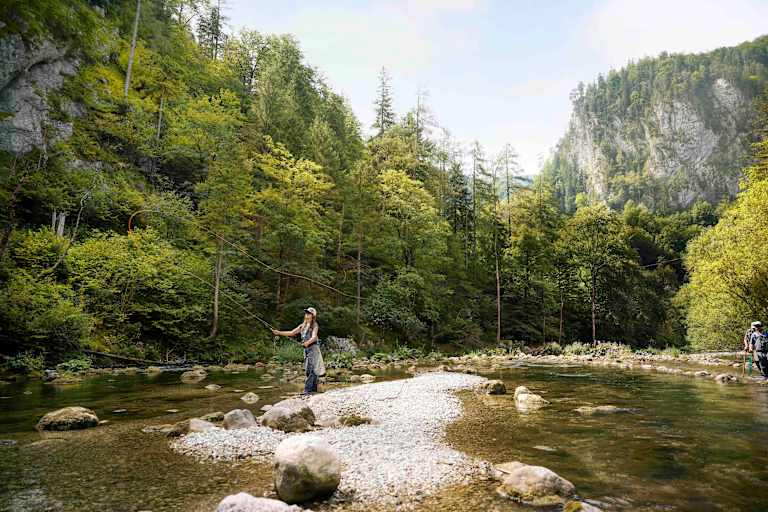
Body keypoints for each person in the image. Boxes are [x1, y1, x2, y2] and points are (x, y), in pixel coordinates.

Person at [272, 307, 326, 394]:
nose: (307, 315)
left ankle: (307, 390)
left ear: (313, 316)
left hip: (313, 349)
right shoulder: (302, 326)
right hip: (306, 350)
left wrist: (308, 342)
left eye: (309, 314)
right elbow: (292, 332)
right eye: (306, 313)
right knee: (308, 370)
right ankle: (313, 390)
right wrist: (278, 332)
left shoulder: (314, 325)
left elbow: (314, 336)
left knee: (312, 369)